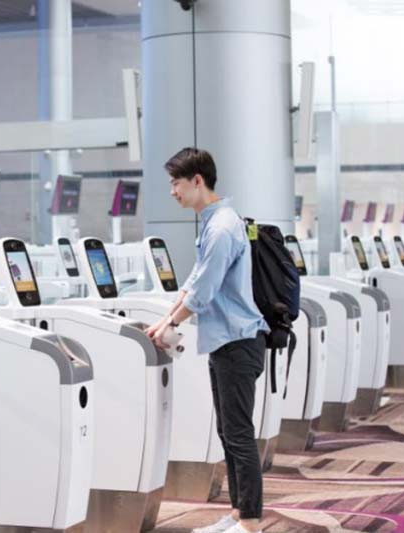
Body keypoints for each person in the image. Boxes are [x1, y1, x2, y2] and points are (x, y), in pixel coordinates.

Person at [145, 148, 269, 533]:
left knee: (238, 432)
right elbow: (193, 284)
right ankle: (237, 513)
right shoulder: (214, 223)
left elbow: (204, 293)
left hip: (238, 342)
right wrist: (164, 318)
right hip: (226, 343)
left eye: (176, 183)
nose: (172, 191)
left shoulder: (221, 227)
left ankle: (250, 521)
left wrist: (171, 325)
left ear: (197, 180)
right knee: (228, 431)